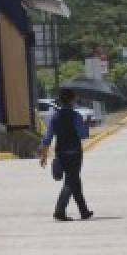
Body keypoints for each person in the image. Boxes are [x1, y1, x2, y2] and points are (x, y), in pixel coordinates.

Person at [39, 87, 93, 222]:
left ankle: (84, 211)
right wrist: (85, 125)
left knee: (74, 180)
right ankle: (59, 210)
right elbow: (82, 135)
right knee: (71, 181)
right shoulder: (76, 116)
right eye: (75, 98)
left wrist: (44, 155)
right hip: (74, 153)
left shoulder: (54, 117)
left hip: (61, 153)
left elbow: (48, 137)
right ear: (71, 100)